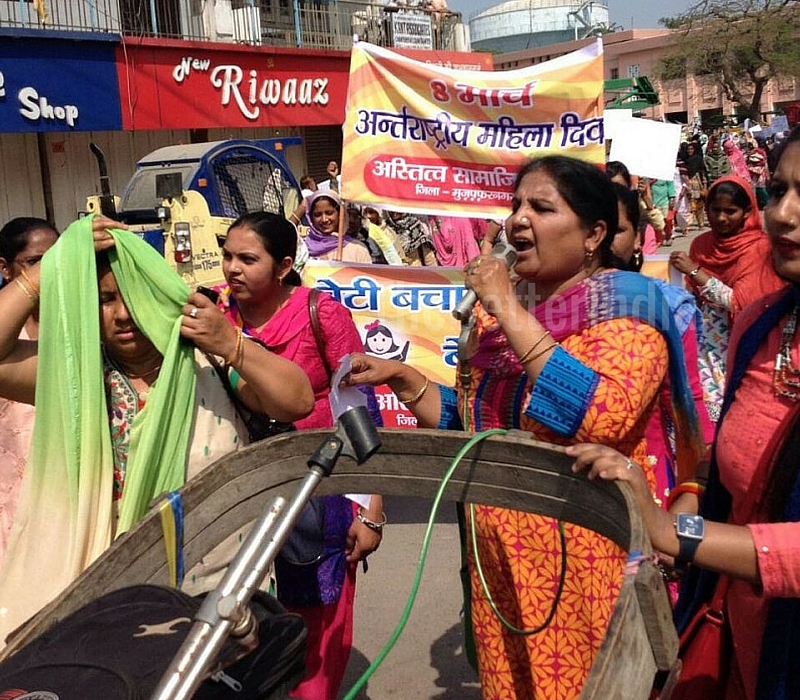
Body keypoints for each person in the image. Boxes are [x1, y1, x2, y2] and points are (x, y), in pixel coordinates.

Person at [344, 155, 703, 700]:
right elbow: (478, 421)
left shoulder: (631, 309)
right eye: (516, 205)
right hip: (499, 566)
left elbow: (597, 417)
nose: (517, 220)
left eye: (541, 207)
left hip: (584, 564)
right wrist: (406, 379)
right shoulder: (501, 321)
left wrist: (508, 307)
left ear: (595, 234)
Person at [0, 215, 314, 647]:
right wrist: (50, 267)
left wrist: (230, 343)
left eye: (135, 295)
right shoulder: (80, 380)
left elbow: (297, 400)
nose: (123, 314)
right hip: (114, 605)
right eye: (106, 299)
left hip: (221, 608)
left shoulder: (210, 366)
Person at [569, 123, 800, 700]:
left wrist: (675, 531)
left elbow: (600, 411)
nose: (783, 215)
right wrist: (686, 506)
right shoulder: (766, 325)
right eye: (778, 191)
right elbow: (721, 464)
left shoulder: (645, 309)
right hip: (738, 624)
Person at [214, 211, 384, 700]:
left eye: (248, 258)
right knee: (248, 629)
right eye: (228, 256)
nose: (233, 268)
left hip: (321, 498)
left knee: (316, 637)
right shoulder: (217, 318)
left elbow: (359, 407)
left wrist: (370, 507)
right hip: (244, 498)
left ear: (285, 265)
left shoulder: (320, 312)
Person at [610, 183, 714, 510]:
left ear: (639, 238)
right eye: (593, 228)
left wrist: (706, 474)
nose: (604, 241)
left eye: (618, 230)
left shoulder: (668, 306)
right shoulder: (548, 307)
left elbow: (686, 398)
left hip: (645, 473)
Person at [669, 175, 785, 422]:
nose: (721, 218)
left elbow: (740, 303)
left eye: (730, 211)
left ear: (746, 212)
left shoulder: (759, 248)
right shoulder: (702, 245)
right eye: (715, 209)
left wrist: (694, 272)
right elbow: (694, 296)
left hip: (743, 342)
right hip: (706, 345)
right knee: (708, 415)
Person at [0, 217, 59, 563]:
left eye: (57, 260)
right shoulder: (8, 333)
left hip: (62, 494)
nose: (49, 273)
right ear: (5, 269)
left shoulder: (82, 323)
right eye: (36, 263)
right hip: (11, 496)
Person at [296, 190, 371, 264]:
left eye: (329, 213)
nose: (324, 219)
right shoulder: (302, 249)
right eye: (317, 215)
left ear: (340, 214)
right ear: (311, 218)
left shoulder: (358, 250)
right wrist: (301, 209)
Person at [685, 141, 709, 230]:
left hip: (698, 184)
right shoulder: (685, 160)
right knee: (690, 204)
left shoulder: (698, 160)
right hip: (688, 184)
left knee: (699, 204)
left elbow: (703, 172)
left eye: (691, 149)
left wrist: (704, 184)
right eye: (688, 149)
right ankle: (688, 224)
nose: (689, 151)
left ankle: (701, 224)